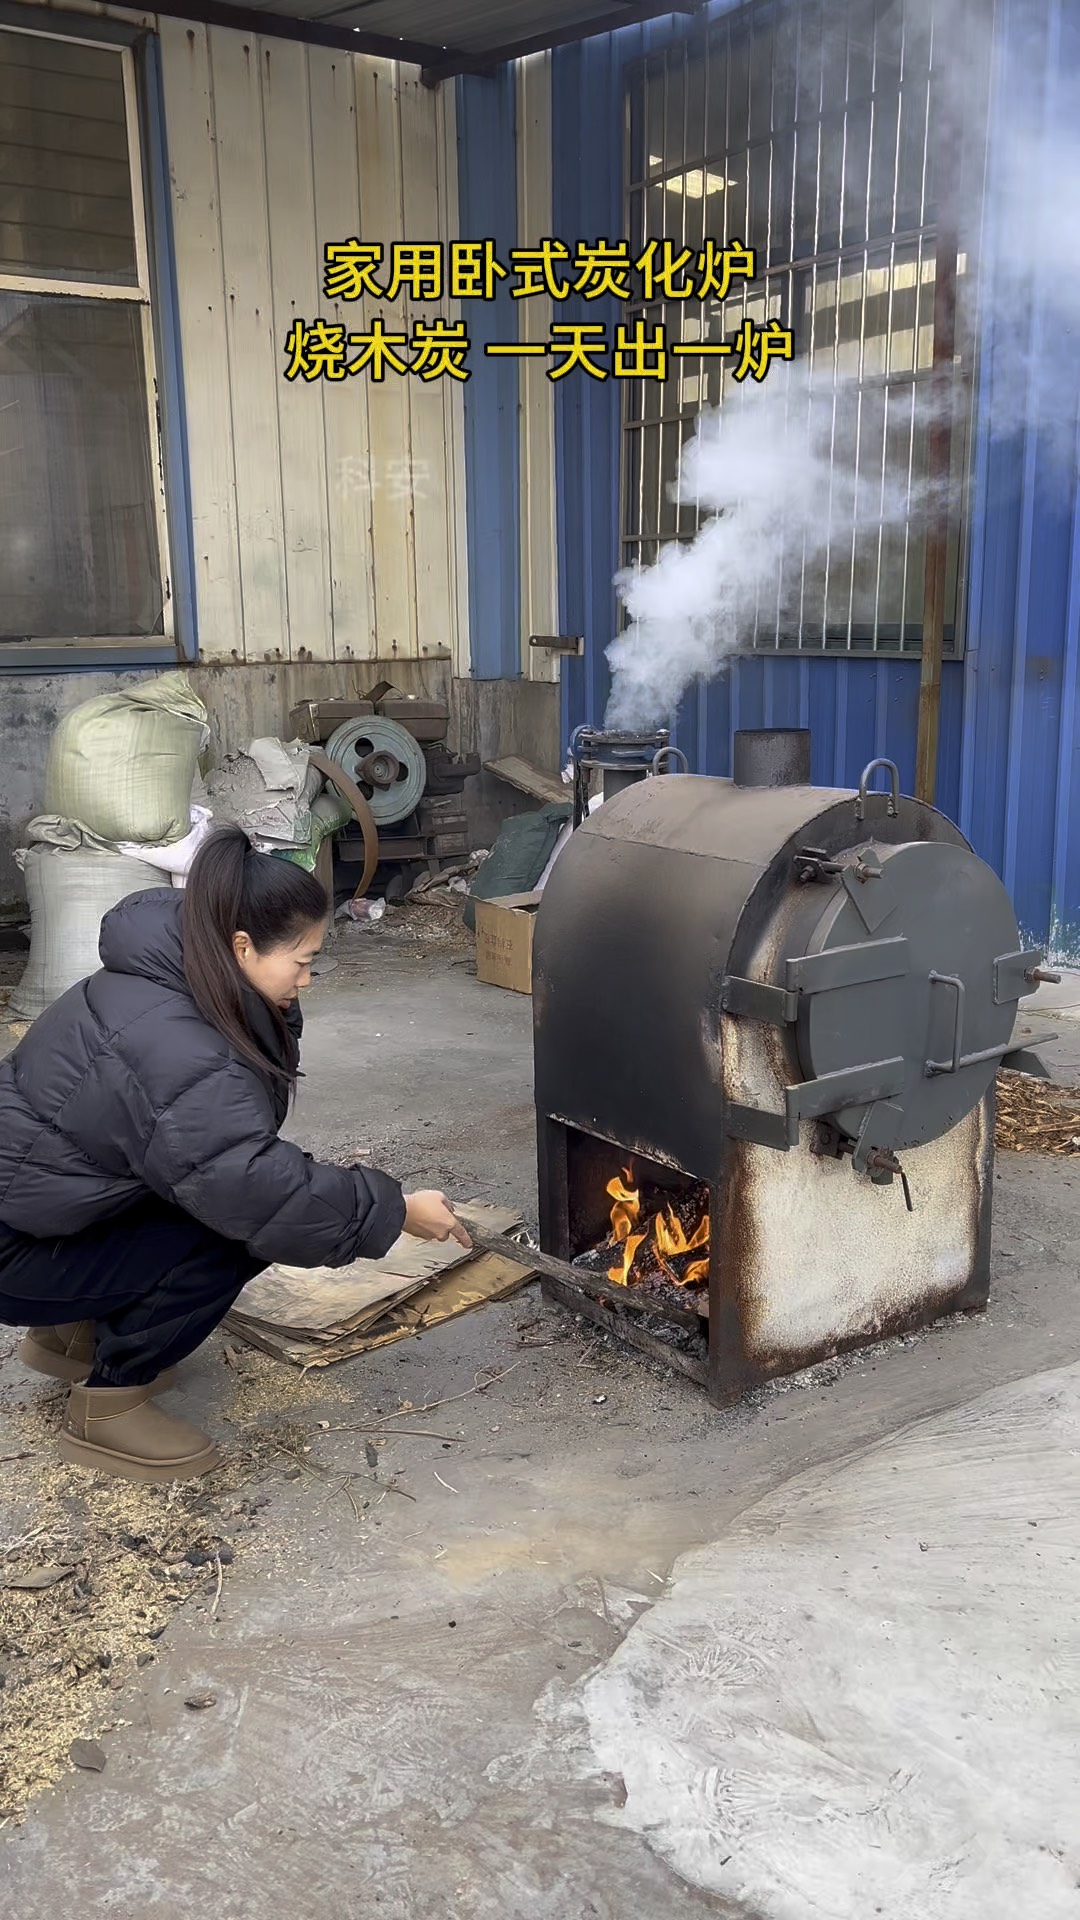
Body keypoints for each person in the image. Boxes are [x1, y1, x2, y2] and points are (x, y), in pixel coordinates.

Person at [0, 827, 470, 1486]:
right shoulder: (180, 1042)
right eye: (301, 961)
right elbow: (253, 1191)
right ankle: (106, 1406)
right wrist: (392, 1209)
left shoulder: (170, 973)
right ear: (241, 945)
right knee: (233, 1233)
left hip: (37, 1218)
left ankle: (67, 1338)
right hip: (16, 1250)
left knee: (183, 1188)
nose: (307, 979)